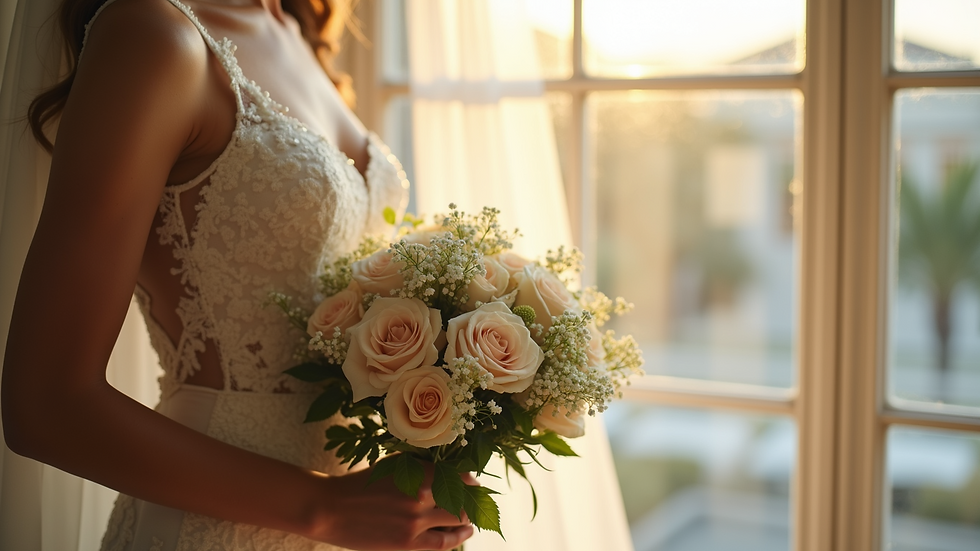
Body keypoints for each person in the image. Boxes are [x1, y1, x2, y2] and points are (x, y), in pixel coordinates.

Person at [0, 0, 474, 549]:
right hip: (212, 527)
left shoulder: (294, 28)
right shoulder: (153, 34)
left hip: (360, 518)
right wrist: (325, 507)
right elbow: (46, 404)